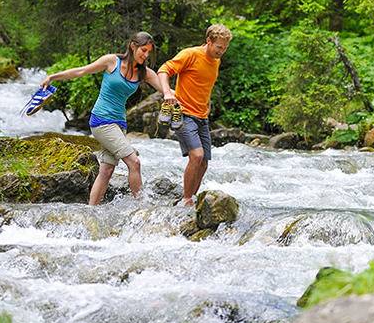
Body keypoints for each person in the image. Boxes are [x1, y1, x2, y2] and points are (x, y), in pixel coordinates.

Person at [39, 32, 164, 205]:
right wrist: (53, 77)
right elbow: (82, 71)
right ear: (133, 46)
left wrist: (190, 100)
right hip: (102, 121)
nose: (146, 55)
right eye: (144, 50)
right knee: (134, 162)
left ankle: (91, 211)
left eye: (149, 52)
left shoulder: (145, 73)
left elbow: (166, 91)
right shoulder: (112, 61)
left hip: (120, 124)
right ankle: (141, 207)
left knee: (106, 171)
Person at [158, 23, 233, 206]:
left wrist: (207, 105)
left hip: (202, 117)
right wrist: (167, 93)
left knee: (204, 162)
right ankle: (186, 199)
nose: (221, 51)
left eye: (225, 48)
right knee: (197, 156)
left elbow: (204, 85)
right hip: (183, 114)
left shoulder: (216, 60)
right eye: (219, 47)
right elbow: (163, 70)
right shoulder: (190, 54)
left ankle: (190, 199)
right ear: (208, 41)